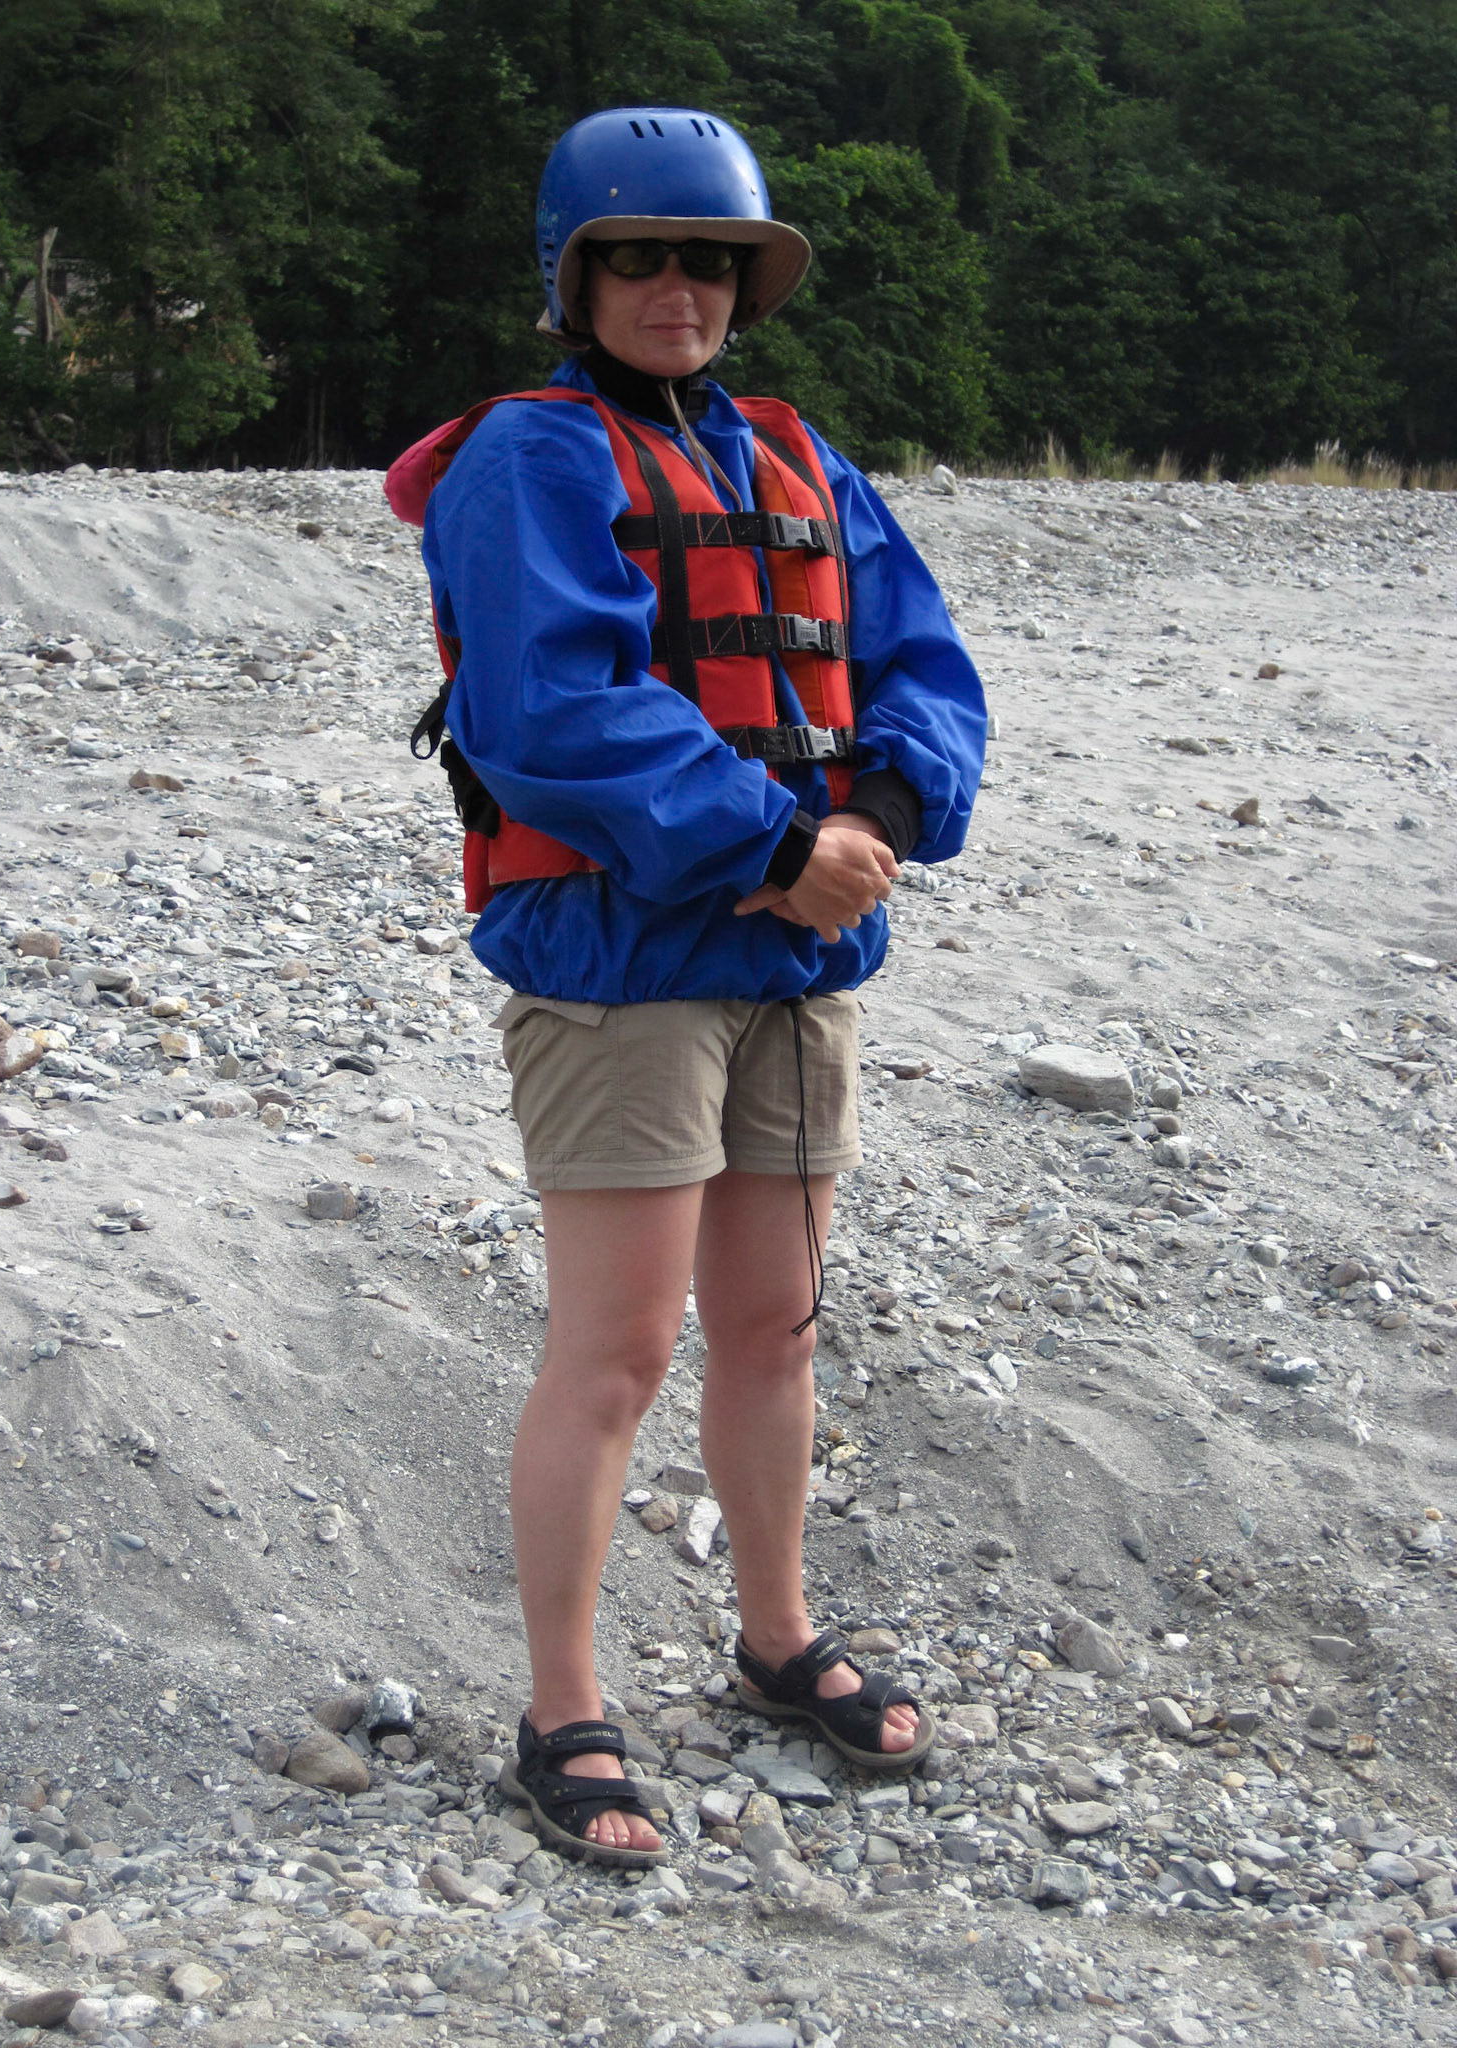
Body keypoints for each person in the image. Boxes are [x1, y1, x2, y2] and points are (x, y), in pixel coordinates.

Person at [386, 106, 986, 1868]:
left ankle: (775, 1636)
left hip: (794, 961)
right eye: (640, 257)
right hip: (626, 962)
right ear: (576, 278)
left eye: (710, 260)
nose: (679, 288)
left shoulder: (798, 456)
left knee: (775, 1324)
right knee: (620, 1345)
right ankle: (562, 1707)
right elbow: (551, 711)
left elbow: (921, 660)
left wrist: (879, 817)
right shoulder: (529, 457)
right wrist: (772, 843)